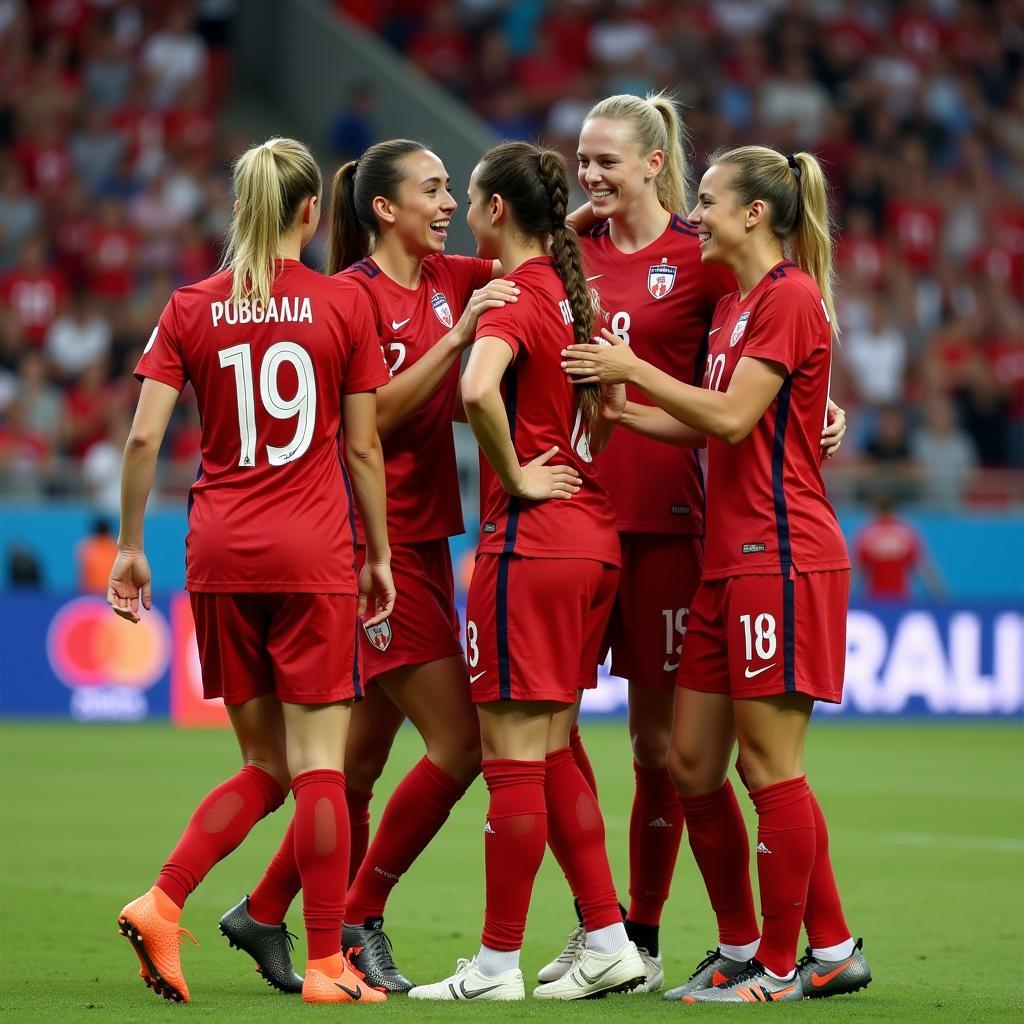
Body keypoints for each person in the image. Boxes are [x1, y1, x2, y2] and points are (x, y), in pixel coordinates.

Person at [540, 92, 848, 992]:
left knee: (729, 762)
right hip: (617, 530)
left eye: (606, 160)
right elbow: (731, 405)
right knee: (687, 761)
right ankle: (737, 944)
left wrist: (815, 399)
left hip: (733, 543)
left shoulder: (724, 271)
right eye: (580, 160)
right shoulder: (575, 260)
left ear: (653, 163)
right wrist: (628, 403)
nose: (590, 176)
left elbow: (754, 390)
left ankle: (785, 955)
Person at [220, 139, 517, 994]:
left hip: (424, 545)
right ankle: (357, 915)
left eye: (454, 187)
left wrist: (617, 212)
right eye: (433, 189)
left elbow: (532, 244)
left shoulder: (449, 275)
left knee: (355, 765)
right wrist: (459, 337)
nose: (452, 201)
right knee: (460, 744)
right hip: (361, 550)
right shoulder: (346, 297)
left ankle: (267, 908)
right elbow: (372, 417)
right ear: (384, 208)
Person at [109, 136, 394, 1006]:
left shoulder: (191, 305)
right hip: (311, 554)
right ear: (312, 212)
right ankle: (323, 964)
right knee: (319, 767)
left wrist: (128, 546)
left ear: (242, 208)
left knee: (266, 764)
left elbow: (143, 438)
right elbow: (362, 443)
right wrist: (378, 553)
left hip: (220, 553)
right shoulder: (343, 306)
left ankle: (163, 900)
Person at [408, 141, 645, 1002]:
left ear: (496, 211)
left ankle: (496, 965)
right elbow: (609, 414)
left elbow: (476, 391)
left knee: (509, 758)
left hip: (531, 546)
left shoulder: (508, 300)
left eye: (468, 196)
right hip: (593, 541)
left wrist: (512, 476)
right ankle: (610, 935)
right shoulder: (574, 299)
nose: (462, 210)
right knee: (550, 753)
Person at [854, 490, 945, 600]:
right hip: (901, 597)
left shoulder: (866, 533)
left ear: (874, 508)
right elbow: (923, 567)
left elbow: (856, 570)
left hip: (875, 598)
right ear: (894, 508)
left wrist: (846, 598)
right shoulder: (905, 532)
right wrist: (938, 594)